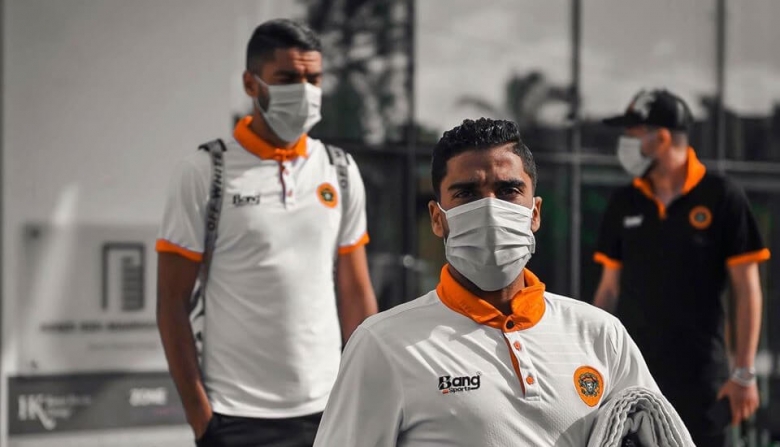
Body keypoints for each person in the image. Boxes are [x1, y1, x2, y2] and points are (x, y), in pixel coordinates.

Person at [313, 118, 672, 446]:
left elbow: (660, 434)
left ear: (535, 213)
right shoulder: (382, 344)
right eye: (467, 193)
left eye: (508, 190)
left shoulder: (602, 335)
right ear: (437, 219)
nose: (490, 208)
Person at [156, 19, 377, 447]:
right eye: (288, 78)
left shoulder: (340, 170)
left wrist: (365, 395)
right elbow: (171, 302)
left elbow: (356, 292)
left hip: (329, 409)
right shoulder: (205, 172)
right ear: (250, 84)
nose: (305, 91)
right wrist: (202, 419)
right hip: (235, 416)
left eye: (314, 79)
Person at [593, 89, 771, 446]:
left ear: (660, 138)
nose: (625, 143)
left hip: (702, 378)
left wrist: (744, 373)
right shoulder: (624, 202)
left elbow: (747, 289)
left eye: (632, 133)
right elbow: (608, 290)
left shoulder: (722, 197)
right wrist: (593, 360)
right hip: (633, 373)